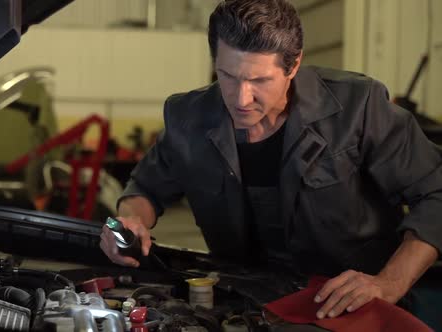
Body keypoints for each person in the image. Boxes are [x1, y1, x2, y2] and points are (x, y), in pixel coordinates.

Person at [100, 0, 440, 320]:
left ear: (293, 65)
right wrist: (128, 223)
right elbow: (145, 187)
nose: (241, 98)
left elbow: (436, 194)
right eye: (227, 76)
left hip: (352, 306)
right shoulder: (187, 117)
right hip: (248, 303)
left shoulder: (358, 108)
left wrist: (388, 283)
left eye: (259, 80)